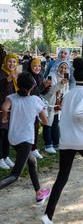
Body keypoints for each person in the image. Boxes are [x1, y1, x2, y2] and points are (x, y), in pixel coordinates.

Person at [41, 58, 83, 224]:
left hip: (65, 139)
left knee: (62, 177)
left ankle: (48, 216)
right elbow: (79, 112)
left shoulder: (69, 92)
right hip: (82, 140)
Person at [0, 72, 50, 205]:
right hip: (26, 140)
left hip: (13, 138)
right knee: (15, 175)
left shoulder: (11, 97)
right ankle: (39, 193)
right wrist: (42, 114)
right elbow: (45, 122)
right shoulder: (35, 100)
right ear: (32, 87)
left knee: (32, 161)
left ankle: (39, 193)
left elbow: (4, 107)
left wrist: (4, 117)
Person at [42, 61, 69, 154]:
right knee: (48, 123)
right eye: (61, 67)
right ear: (57, 67)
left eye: (65, 68)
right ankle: (48, 145)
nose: (63, 69)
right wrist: (60, 83)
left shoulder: (65, 77)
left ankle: (56, 143)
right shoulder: (51, 75)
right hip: (50, 103)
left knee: (55, 123)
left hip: (59, 103)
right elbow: (50, 91)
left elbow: (66, 91)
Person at [28, 58, 51, 159]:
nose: (37, 68)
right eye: (34, 66)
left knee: (36, 127)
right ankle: (29, 149)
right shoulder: (28, 76)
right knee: (31, 127)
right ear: (30, 66)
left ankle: (34, 148)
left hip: (37, 104)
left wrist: (47, 86)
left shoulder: (41, 76)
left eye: (38, 66)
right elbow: (32, 91)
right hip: (28, 104)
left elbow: (42, 92)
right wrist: (43, 86)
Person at [0, 54, 19, 169]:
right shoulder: (2, 73)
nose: (11, 64)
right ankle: (0, 158)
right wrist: (7, 81)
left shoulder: (15, 74)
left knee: (8, 133)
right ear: (5, 62)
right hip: (2, 109)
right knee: (1, 133)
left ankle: (6, 156)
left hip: (12, 108)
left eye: (14, 62)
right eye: (9, 62)